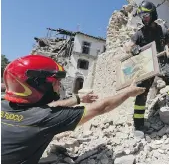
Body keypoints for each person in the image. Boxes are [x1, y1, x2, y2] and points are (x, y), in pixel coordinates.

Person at [1, 55, 145, 164]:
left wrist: (78, 99)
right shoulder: (44, 119)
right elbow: (102, 107)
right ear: (38, 85)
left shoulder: (5, 105)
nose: (58, 87)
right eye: (56, 82)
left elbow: (49, 108)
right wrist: (129, 92)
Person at [124, 0, 169, 133]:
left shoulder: (162, 29)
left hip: (162, 63)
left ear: (152, 14)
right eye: (141, 16)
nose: (143, 18)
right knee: (141, 94)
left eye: (145, 15)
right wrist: (133, 50)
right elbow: (127, 46)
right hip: (147, 65)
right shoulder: (139, 33)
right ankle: (138, 125)